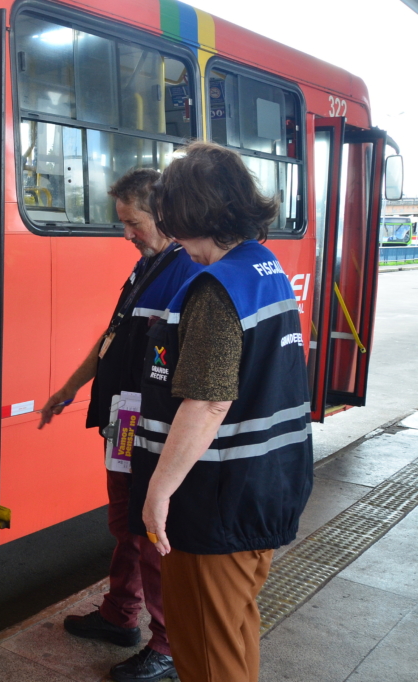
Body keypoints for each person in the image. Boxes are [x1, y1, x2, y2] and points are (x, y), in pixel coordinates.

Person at [128, 141, 313, 682]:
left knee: (206, 651)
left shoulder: (214, 289)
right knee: (233, 631)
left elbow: (209, 401)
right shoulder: (264, 266)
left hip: (215, 499)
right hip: (266, 487)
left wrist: (158, 493)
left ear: (185, 212)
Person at [39, 168, 200, 682]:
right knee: (126, 525)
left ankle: (168, 647)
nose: (125, 233)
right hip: (124, 420)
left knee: (151, 531)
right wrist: (68, 388)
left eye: (132, 222)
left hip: (152, 428)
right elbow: (112, 337)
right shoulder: (148, 267)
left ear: (164, 216)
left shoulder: (186, 273)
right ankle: (120, 613)